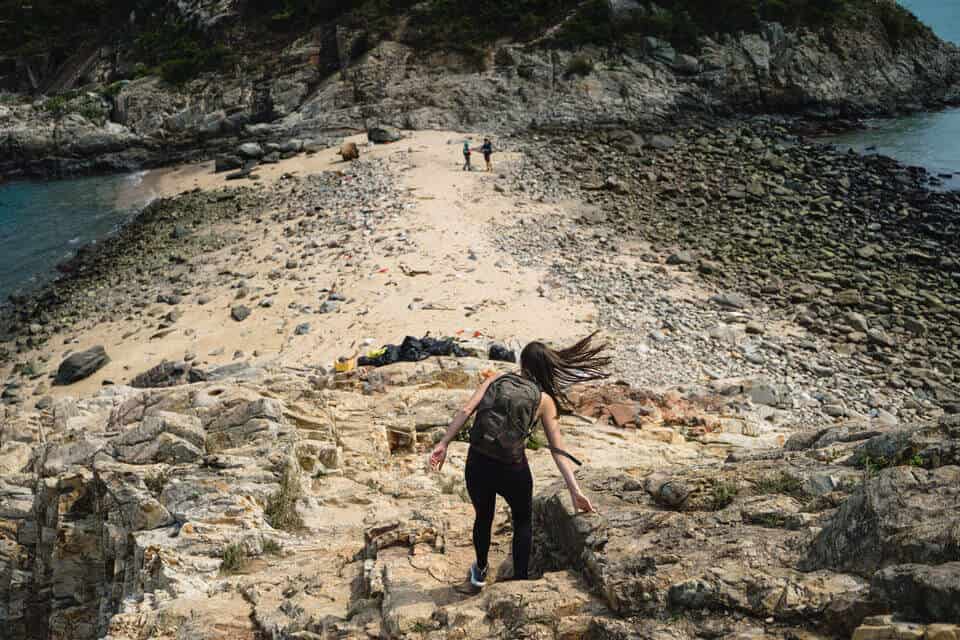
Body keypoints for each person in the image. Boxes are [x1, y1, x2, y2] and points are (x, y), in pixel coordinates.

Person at [429, 332, 610, 593]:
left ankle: (479, 574)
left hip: (478, 462)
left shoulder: (496, 379)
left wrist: (443, 443)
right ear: (547, 368)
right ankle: (520, 583)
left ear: (522, 363)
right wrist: (574, 490)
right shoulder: (544, 400)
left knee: (483, 517)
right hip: (512, 469)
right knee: (523, 521)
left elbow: (466, 411)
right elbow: (558, 450)